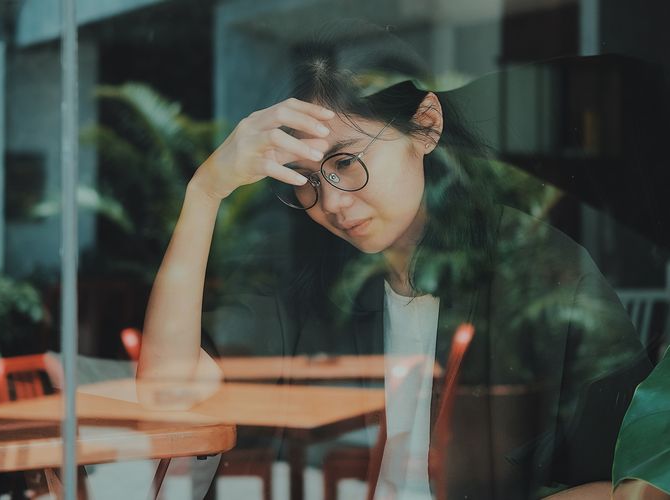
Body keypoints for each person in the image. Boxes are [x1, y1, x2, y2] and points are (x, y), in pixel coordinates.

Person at [137, 24, 652, 500]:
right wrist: (205, 192)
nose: (332, 202)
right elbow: (167, 394)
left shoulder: (544, 272)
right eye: (307, 180)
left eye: (345, 161)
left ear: (425, 126)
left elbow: (634, 484)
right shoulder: (306, 280)